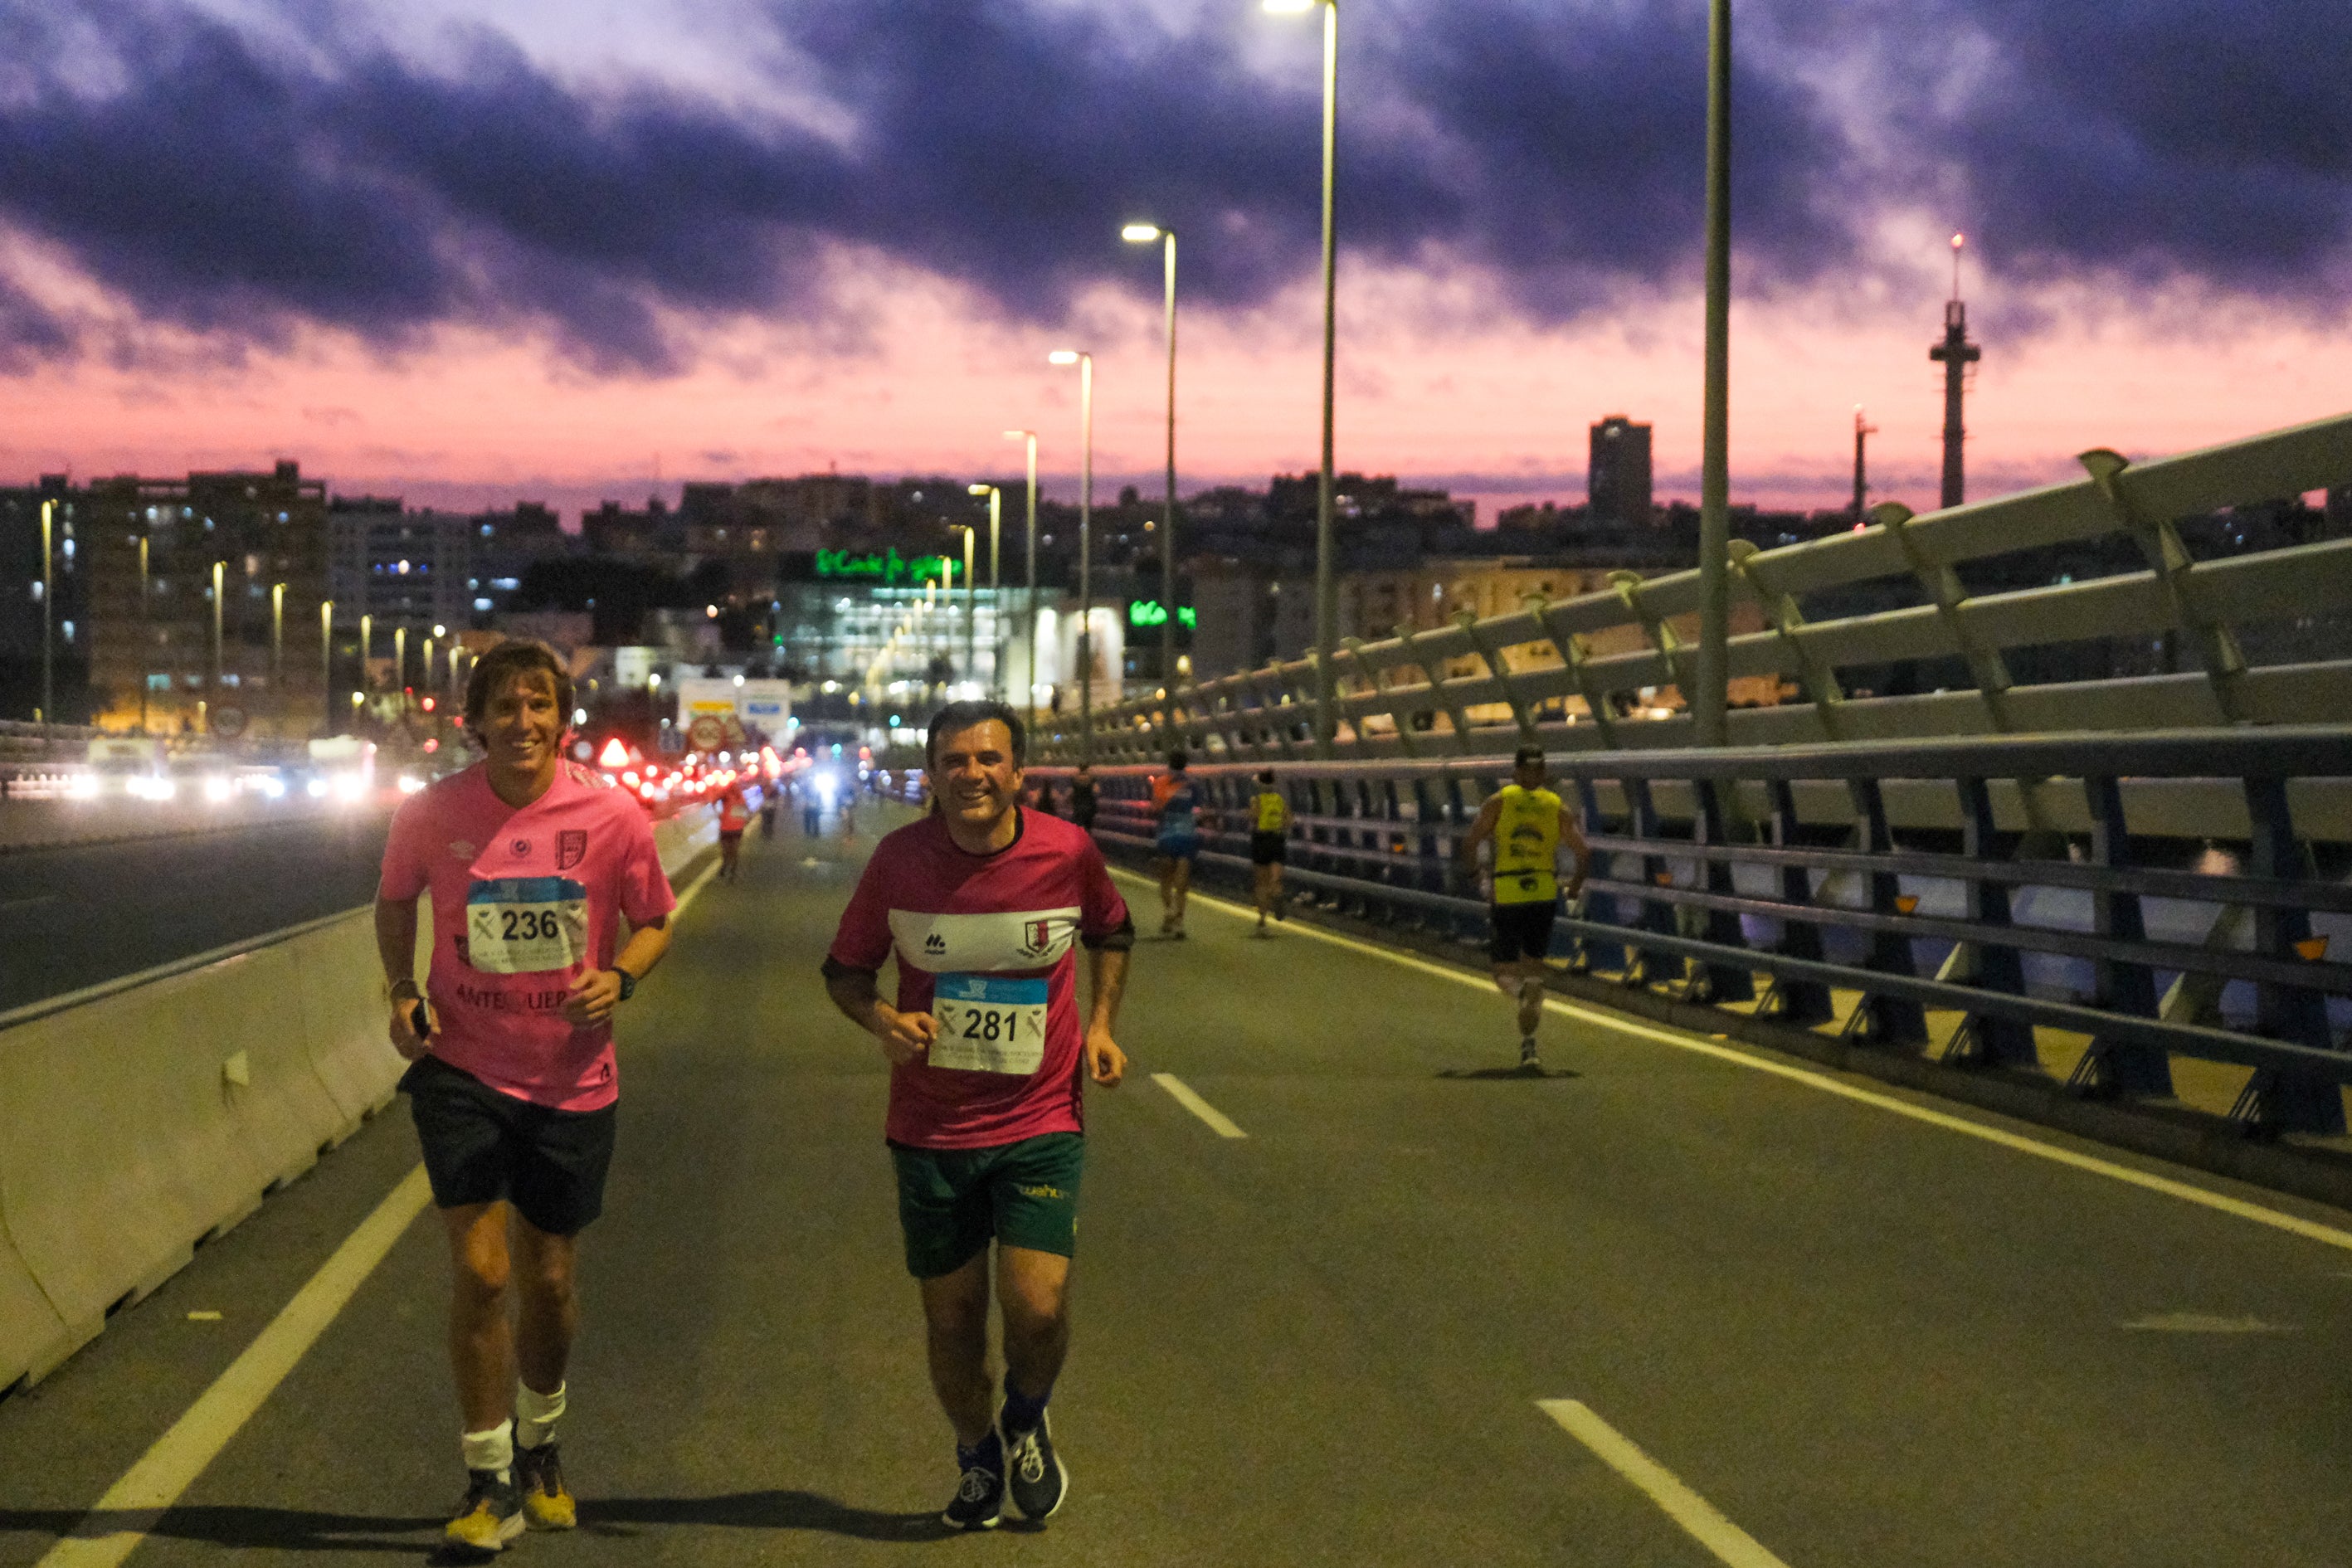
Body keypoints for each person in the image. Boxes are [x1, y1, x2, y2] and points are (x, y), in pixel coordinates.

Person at [374, 640, 677, 1552]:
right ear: (475, 722)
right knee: (482, 1272)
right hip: (463, 1068)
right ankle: (486, 1479)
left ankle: (542, 1446)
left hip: (572, 1078)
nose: (523, 722)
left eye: (538, 705)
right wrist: (399, 989)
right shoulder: (430, 814)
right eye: (504, 707)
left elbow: (654, 919)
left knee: (548, 1279)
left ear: (562, 718)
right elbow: (394, 901)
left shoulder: (613, 814)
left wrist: (620, 978)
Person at [821, 699, 1132, 1531]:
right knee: (953, 1325)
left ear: (1019, 772)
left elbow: (1114, 930)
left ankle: (1027, 1417)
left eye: (989, 759)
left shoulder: (1068, 851)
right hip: (930, 1130)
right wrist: (882, 1019)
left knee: (1036, 1308)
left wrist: (1100, 1027)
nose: (972, 774)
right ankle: (976, 1450)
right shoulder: (898, 862)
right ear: (933, 775)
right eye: (955, 761)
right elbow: (844, 972)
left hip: (1040, 1122)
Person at [1455, 744, 1590, 1071]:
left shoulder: (1499, 802)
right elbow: (1583, 853)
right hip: (1544, 892)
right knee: (1534, 969)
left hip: (1509, 891)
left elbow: (1471, 841)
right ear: (1543, 773)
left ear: (1514, 771)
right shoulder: (1557, 806)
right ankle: (1529, 1047)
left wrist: (1477, 876)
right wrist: (1572, 888)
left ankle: (1522, 997)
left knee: (1504, 971)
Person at [1148, 750, 1207, 937]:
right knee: (1182, 878)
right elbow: (1200, 810)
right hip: (1187, 834)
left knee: (1165, 877)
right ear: (1185, 764)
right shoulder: (1194, 784)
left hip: (1166, 834)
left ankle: (1169, 910)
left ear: (1169, 764)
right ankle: (1179, 922)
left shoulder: (1160, 782)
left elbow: (1155, 808)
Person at [1245, 769, 1291, 937]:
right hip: (1277, 840)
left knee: (1261, 883)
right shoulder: (1280, 800)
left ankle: (1262, 922)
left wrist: (1247, 815)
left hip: (1261, 840)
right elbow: (1288, 820)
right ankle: (1277, 893)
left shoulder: (1256, 799)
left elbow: (1254, 816)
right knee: (1275, 878)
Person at [718, 785, 752, 880]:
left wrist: (719, 814)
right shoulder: (739, 797)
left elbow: (714, 800)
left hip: (727, 828)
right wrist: (746, 819)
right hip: (734, 828)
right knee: (733, 851)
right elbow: (747, 810)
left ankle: (727, 867)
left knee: (727, 850)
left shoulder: (727, 796)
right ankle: (731, 870)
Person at [1067, 765, 1097, 835]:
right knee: (1088, 828)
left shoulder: (1075, 779)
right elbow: (1097, 790)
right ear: (1087, 770)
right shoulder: (1091, 779)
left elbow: (1071, 792)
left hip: (1078, 806)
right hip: (1089, 806)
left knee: (1077, 826)